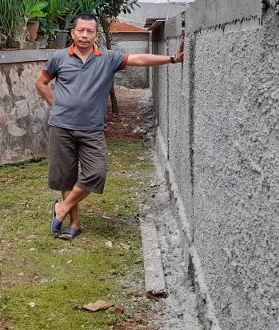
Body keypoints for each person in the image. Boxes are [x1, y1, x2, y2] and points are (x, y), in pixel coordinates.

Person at [35, 13, 185, 240]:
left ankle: (62, 209)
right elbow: (41, 82)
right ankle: (74, 224)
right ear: (73, 33)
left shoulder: (108, 58)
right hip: (61, 127)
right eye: (80, 30)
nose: (85, 35)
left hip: (92, 129)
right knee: (66, 177)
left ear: (96, 35)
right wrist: (57, 107)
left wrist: (172, 59)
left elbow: (140, 59)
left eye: (90, 31)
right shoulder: (59, 58)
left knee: (96, 173)